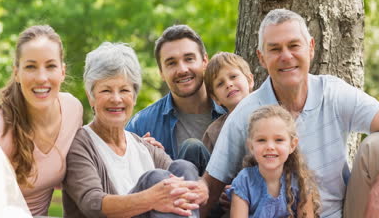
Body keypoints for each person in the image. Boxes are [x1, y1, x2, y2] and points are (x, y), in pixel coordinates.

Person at [202, 9, 379, 218]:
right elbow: (211, 185)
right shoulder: (245, 113)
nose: (286, 56)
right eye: (274, 49)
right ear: (261, 58)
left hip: (344, 212)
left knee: (378, 145)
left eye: (294, 45)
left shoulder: (333, 93)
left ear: (310, 48)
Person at [62, 42, 208, 218]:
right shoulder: (79, 144)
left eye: (124, 90)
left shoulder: (144, 146)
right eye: (106, 90)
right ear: (91, 96)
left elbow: (182, 181)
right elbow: (92, 203)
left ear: (134, 96)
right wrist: (151, 198)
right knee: (155, 180)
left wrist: (202, 187)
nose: (116, 99)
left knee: (184, 168)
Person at [0, 25, 83, 216]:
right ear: (16, 73)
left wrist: (135, 146)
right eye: (30, 67)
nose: (41, 77)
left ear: (62, 72)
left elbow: (83, 162)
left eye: (50, 66)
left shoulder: (73, 109)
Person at [127, 25, 226, 175]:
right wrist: (140, 158)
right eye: (171, 63)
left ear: (205, 61)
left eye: (189, 59)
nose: (182, 69)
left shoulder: (232, 110)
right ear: (161, 72)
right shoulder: (141, 125)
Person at [227, 105, 320, 218]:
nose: (270, 146)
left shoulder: (301, 182)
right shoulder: (244, 182)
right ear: (251, 146)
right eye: (261, 140)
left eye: (279, 140)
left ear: (292, 145)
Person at [202, 52, 254, 153]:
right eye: (220, 84)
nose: (228, 84)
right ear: (216, 98)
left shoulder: (272, 114)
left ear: (249, 80)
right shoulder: (214, 132)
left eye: (233, 76)